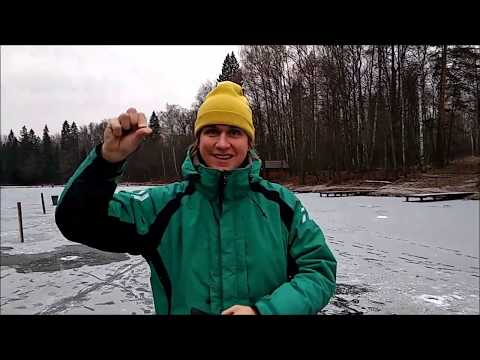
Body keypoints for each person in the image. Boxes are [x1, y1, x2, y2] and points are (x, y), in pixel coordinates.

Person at [55, 81, 337, 315]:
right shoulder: (161, 206)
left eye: (235, 132)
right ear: (198, 139)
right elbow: (76, 221)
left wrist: (267, 312)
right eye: (212, 131)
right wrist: (107, 161)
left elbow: (319, 271)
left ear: (249, 142)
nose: (223, 143)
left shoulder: (282, 205)